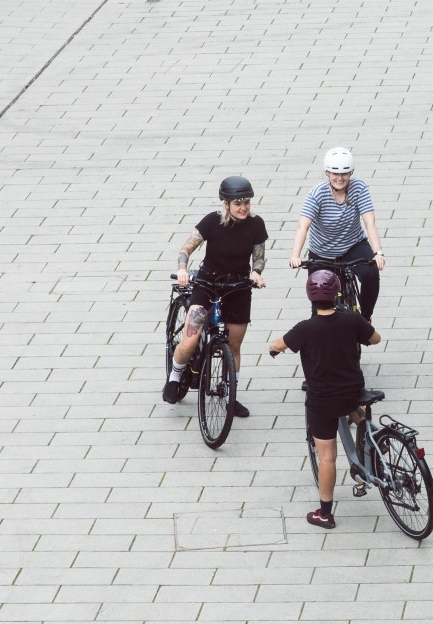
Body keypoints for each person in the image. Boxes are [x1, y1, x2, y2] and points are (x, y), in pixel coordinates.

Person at [269, 270, 381, 529]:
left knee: (327, 457)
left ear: (310, 296)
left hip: (323, 401)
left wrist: (273, 348)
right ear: (337, 293)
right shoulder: (352, 319)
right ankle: (368, 455)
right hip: (353, 392)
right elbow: (375, 339)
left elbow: (278, 344)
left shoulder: (304, 329)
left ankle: (325, 514)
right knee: (359, 412)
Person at [162, 176, 268, 417]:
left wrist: (256, 272)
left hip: (239, 286)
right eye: (238, 203)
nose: (243, 208)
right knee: (190, 339)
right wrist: (182, 269)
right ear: (226, 204)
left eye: (247, 203)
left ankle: (230, 394)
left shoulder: (256, 225)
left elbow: (259, 256)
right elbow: (186, 248)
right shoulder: (212, 222)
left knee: (234, 345)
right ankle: (174, 377)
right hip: (208, 283)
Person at [288, 147, 385, 322]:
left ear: (351, 173)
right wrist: (295, 255)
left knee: (371, 274)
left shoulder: (359, 188)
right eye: (335, 174)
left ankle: (365, 318)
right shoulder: (318, 193)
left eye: (345, 174)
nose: (340, 178)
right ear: (327, 172)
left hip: (353, 246)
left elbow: (370, 222)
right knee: (318, 303)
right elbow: (303, 226)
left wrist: (378, 252)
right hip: (322, 252)